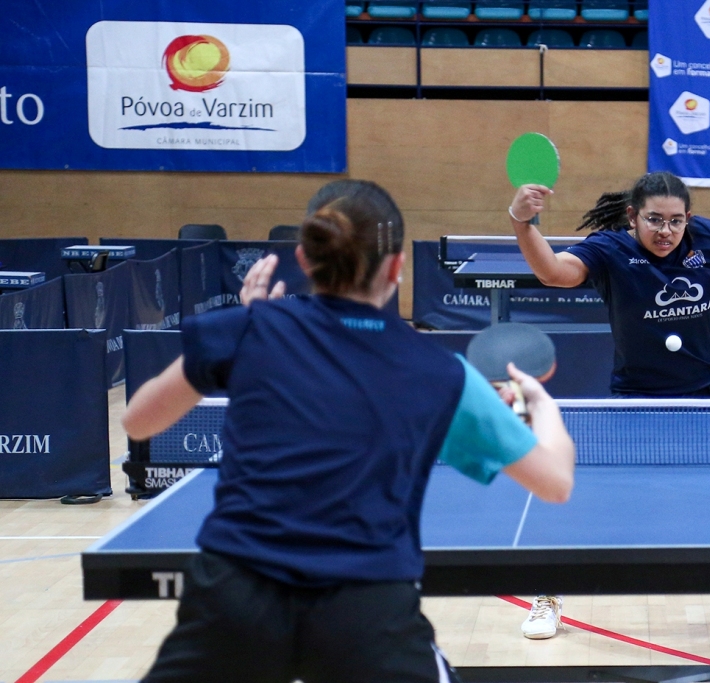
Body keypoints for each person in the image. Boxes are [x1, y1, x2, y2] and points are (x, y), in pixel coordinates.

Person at [123, 179, 576, 682]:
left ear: (305, 258)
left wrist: (249, 331)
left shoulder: (247, 329)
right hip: (366, 611)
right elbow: (554, 482)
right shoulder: (439, 372)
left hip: (235, 597)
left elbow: (138, 421)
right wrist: (542, 404)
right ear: (397, 268)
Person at [506, 172, 710, 639]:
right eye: (654, 221)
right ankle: (547, 595)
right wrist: (523, 224)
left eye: (675, 221)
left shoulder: (706, 236)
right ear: (632, 216)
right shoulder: (609, 250)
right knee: (591, 499)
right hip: (640, 402)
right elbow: (553, 272)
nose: (666, 231)